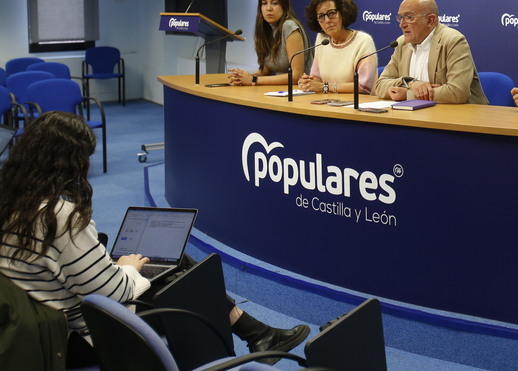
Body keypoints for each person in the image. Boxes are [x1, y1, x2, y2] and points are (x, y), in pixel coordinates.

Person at [0, 112, 310, 368]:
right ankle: (247, 340)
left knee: (174, 267)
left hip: (36, 319)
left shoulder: (11, 199)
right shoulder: (59, 216)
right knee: (182, 282)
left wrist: (119, 266)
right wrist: (127, 268)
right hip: (78, 337)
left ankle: (258, 333)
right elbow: (113, 292)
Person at [372, 0, 488, 104]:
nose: (402, 24)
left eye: (409, 17)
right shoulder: (401, 43)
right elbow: (380, 85)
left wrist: (408, 94)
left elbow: (457, 92)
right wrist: (410, 82)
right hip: (415, 116)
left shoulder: (453, 41)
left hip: (459, 117)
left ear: (430, 20)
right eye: (400, 17)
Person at [297, 0, 377, 95]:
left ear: (343, 13)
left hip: (358, 105)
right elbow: (317, 78)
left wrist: (324, 87)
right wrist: (307, 82)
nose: (327, 21)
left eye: (331, 13)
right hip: (329, 103)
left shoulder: (363, 41)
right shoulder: (322, 39)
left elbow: (364, 87)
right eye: (321, 16)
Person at [229, 0, 311, 87]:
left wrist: (253, 80)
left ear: (284, 6)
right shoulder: (266, 29)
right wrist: (242, 77)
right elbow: (265, 71)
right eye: (264, 3)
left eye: (275, 3)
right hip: (280, 90)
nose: (269, 8)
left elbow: (296, 76)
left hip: (301, 90)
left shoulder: (289, 27)